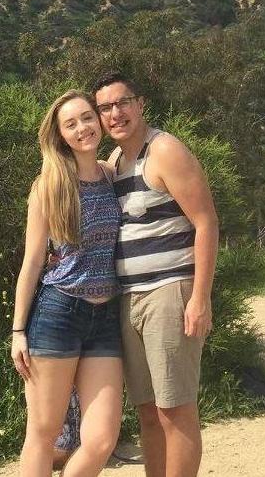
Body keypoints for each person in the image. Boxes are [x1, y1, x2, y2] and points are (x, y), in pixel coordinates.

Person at [93, 72, 219, 477]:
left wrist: (199, 298)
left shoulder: (164, 151)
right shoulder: (115, 161)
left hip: (169, 293)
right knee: (147, 411)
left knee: (174, 409)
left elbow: (206, 222)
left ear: (140, 104)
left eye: (122, 102)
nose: (115, 113)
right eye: (105, 108)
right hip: (130, 297)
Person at [10, 90, 123, 476]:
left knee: (102, 439)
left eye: (87, 117)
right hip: (58, 312)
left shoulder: (111, 173)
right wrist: (18, 331)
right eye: (71, 124)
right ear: (60, 135)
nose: (82, 128)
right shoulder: (49, 185)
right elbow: (32, 262)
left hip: (105, 319)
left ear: (99, 120)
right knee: (44, 433)